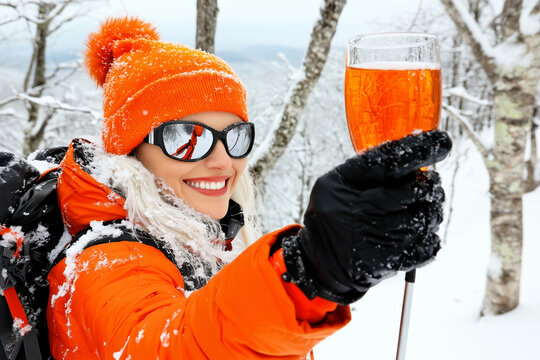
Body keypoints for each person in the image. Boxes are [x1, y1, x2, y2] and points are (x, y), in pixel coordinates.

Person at [46, 16, 452, 359]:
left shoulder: (196, 239)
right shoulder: (104, 262)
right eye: (187, 139)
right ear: (130, 153)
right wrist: (306, 273)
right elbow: (171, 344)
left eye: (235, 137)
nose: (222, 160)